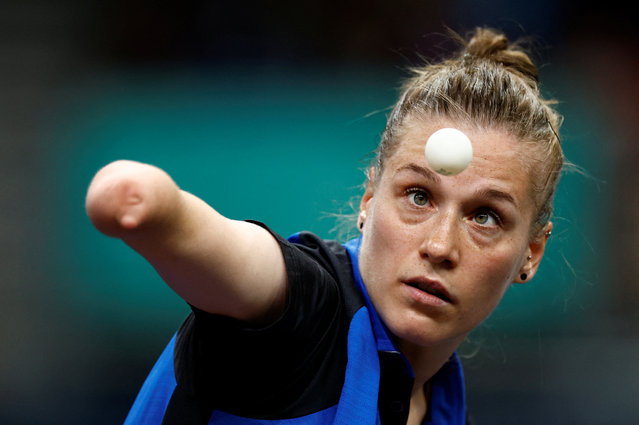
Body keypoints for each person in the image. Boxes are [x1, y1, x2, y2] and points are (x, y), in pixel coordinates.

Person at [85, 27, 564, 425]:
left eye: (485, 217)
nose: (440, 246)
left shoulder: (441, 405)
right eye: (418, 196)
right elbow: (242, 262)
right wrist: (160, 211)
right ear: (369, 199)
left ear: (531, 253)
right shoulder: (306, 308)